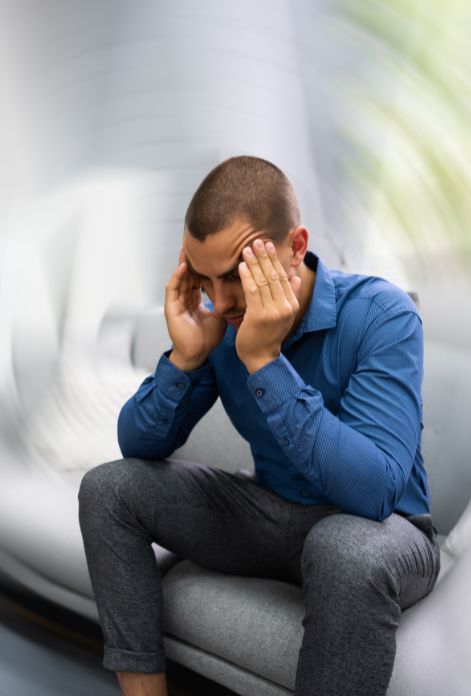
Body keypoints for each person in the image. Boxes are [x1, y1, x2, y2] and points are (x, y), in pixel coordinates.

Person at [78, 155, 441, 696]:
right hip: (270, 514)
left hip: (385, 533)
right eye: (203, 278)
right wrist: (186, 357)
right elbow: (137, 442)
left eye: (235, 277)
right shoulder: (219, 322)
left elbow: (375, 491)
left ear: (295, 247)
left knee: (343, 548)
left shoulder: (382, 315)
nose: (220, 301)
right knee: (108, 489)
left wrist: (265, 362)